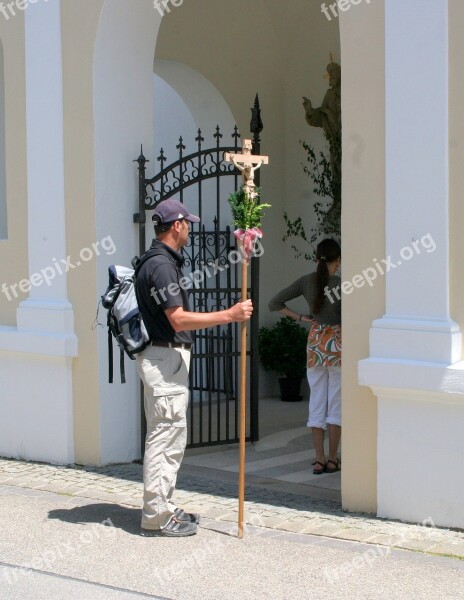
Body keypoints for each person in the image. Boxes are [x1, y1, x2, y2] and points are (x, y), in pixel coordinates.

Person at [135, 199, 253, 537]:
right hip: (164, 360)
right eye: (188, 223)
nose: (190, 229)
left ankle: (164, 507)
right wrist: (228, 315)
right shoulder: (160, 266)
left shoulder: (159, 261)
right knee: (165, 437)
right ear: (177, 226)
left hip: (165, 360)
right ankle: (156, 516)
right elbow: (178, 319)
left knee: (171, 435)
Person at [268, 238, 341, 475]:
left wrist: (301, 317)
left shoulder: (306, 281)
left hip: (316, 342)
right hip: (338, 344)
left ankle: (318, 459)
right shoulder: (341, 284)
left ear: (316, 258)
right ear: (337, 260)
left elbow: (274, 302)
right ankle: (332, 459)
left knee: (317, 401)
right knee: (336, 403)